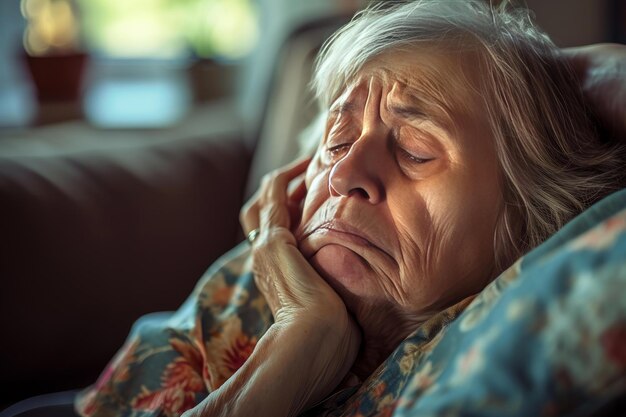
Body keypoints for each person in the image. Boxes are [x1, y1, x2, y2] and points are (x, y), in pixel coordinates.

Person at [67, 2, 625, 417]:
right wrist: (298, 337)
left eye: (414, 150)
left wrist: (594, 76)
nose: (342, 175)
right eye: (336, 141)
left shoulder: (503, 357)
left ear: (534, 219)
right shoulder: (225, 308)